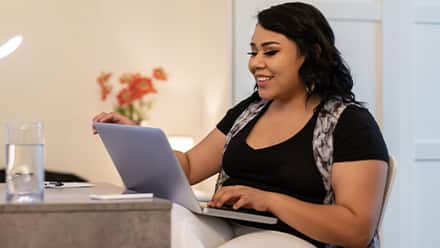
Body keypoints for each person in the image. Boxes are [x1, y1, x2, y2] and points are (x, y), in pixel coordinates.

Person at [92, 2, 389, 248]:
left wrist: (269, 200)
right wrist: (139, 137)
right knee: (165, 223)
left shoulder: (349, 124)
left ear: (313, 53)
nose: (256, 63)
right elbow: (190, 167)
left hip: (297, 240)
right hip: (230, 229)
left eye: (270, 51)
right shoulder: (248, 112)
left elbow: (356, 229)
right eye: (253, 52)